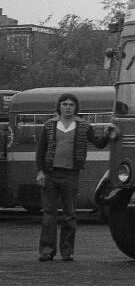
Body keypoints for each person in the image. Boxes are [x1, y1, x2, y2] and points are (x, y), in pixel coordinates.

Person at [35, 93, 116, 262]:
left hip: (70, 175)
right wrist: (40, 172)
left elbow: (99, 143)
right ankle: (46, 251)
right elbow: (40, 151)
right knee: (49, 214)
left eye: (71, 104)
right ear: (59, 106)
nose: (67, 107)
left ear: (76, 107)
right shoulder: (49, 125)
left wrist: (109, 133)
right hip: (50, 174)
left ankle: (67, 252)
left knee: (69, 215)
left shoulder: (84, 126)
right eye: (64, 104)